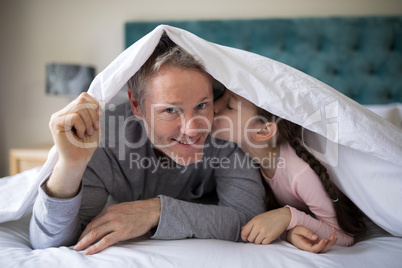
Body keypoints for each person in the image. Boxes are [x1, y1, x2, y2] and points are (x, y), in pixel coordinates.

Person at [29, 34, 267, 255]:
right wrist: (70, 166)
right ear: (136, 105)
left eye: (202, 105)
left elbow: (250, 220)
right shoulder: (104, 139)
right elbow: (49, 243)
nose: (194, 129)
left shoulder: (225, 129)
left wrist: (157, 211)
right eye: (171, 110)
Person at [212, 88, 367, 253]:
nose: (214, 106)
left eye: (229, 106)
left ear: (263, 131)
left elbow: (345, 237)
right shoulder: (243, 157)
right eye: (222, 96)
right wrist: (289, 233)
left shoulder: (300, 174)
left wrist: (288, 217)